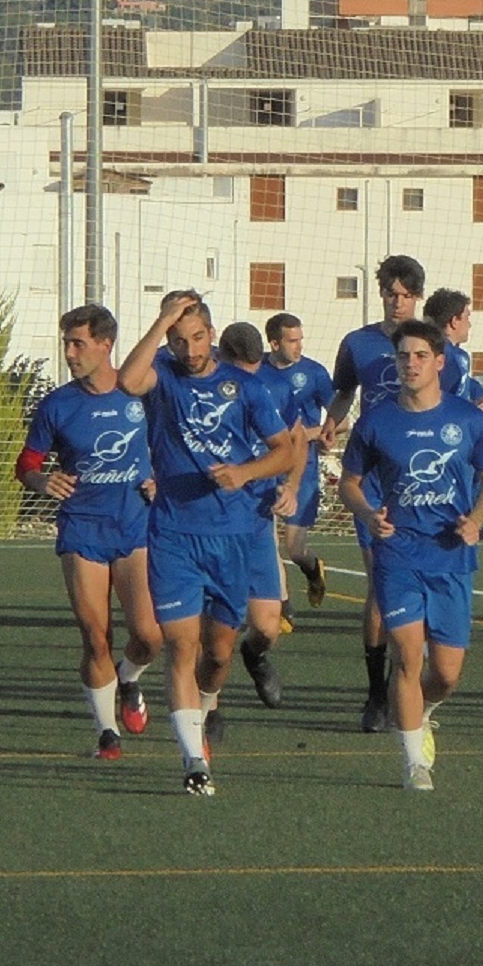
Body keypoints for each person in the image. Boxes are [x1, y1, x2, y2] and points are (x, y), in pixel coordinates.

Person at [119, 291, 297, 794]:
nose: (189, 348)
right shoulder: (163, 376)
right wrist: (162, 319)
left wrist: (244, 473)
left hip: (234, 536)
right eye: (179, 339)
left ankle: (209, 700)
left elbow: (283, 451)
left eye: (197, 337)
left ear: (212, 336)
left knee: (217, 653)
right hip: (174, 533)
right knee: (181, 645)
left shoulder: (244, 388)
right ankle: (194, 761)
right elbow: (128, 380)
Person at [339, 319, 483, 790]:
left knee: (447, 673)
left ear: (438, 362)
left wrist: (477, 520)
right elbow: (350, 483)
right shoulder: (376, 421)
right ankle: (416, 764)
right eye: (402, 356)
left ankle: (423, 709)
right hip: (397, 553)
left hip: (450, 555)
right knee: (408, 657)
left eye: (418, 356)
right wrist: (370, 514)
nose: (409, 364)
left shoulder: (468, 420)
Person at [324, 254, 464, 732]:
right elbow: (343, 392)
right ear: (381, 293)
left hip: (427, 485)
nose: (398, 300)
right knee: (379, 592)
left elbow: (457, 411)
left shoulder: (440, 349)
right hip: (377, 479)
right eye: (391, 292)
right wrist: (330, 423)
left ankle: (410, 687)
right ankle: (377, 692)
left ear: (418, 297)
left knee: (416, 602)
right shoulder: (358, 344)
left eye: (406, 294)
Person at [18, 305, 162, 761]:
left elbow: (173, 445)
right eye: (66, 343)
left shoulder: (140, 393)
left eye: (78, 343)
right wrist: (41, 480)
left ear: (106, 345)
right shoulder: (57, 404)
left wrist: (161, 476)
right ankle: (107, 734)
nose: (69, 353)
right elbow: (27, 463)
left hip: (135, 524)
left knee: (149, 635)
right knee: (94, 633)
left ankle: (130, 681)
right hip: (82, 527)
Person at [220, 320, 296, 710]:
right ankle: (207, 708)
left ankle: (255, 656)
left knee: (267, 624)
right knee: (212, 633)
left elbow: (293, 441)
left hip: (255, 519)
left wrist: (291, 487)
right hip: (207, 522)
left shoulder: (270, 389)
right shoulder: (202, 392)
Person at [264, 312, 336, 612]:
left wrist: (310, 433)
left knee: (294, 548)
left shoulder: (314, 373)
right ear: (273, 343)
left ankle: (312, 567)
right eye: (292, 341)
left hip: (302, 467)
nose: (299, 346)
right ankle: (283, 605)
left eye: (300, 339)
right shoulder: (257, 373)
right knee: (268, 542)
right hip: (267, 464)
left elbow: (338, 418)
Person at [425, 287, 483, 412]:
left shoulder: (420, 350)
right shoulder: (457, 356)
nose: (469, 325)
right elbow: (457, 396)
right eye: (467, 318)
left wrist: (477, 392)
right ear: (454, 321)